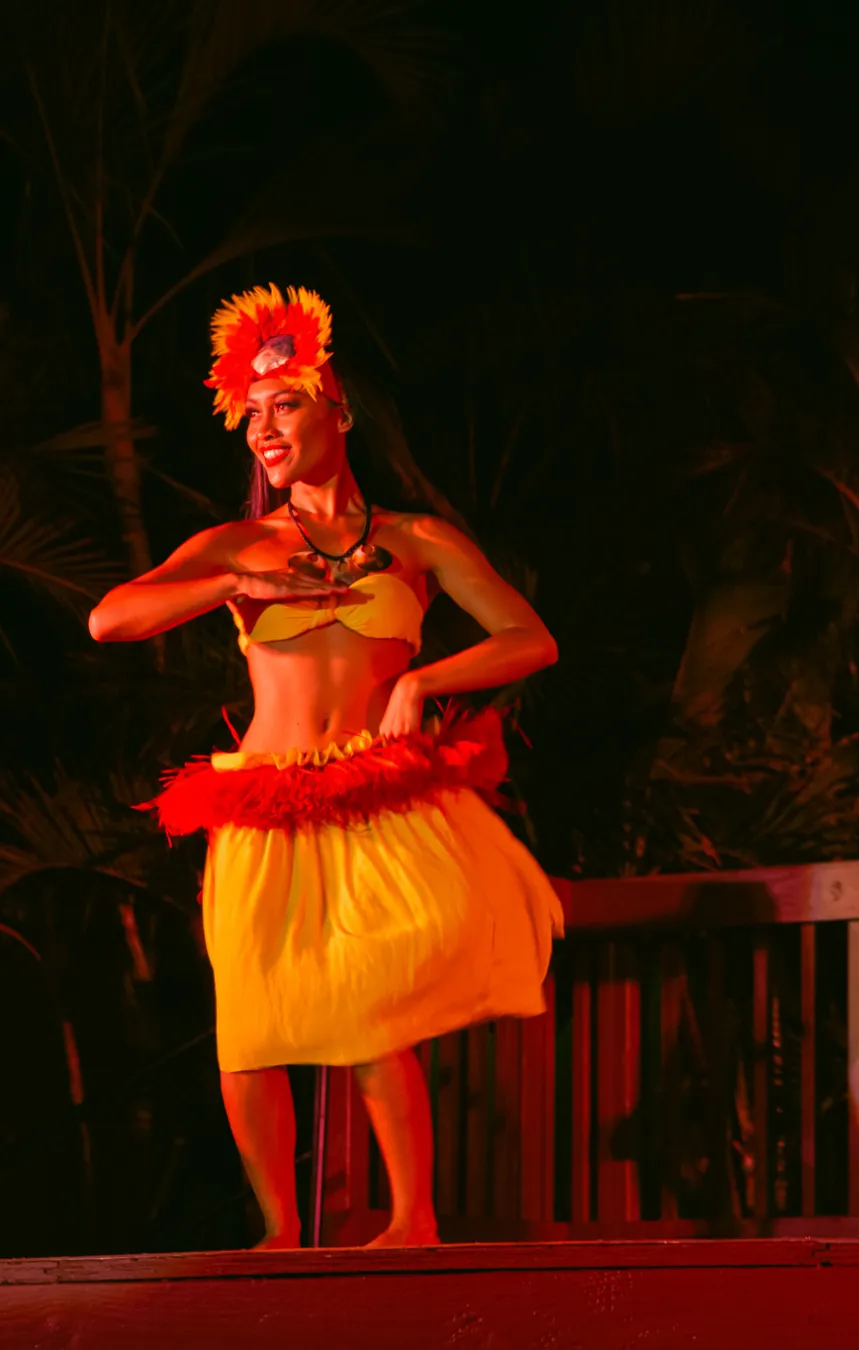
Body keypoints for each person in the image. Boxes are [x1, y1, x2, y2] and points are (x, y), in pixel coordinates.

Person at [89, 285, 563, 1249]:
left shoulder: (416, 541)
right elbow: (110, 618)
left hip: (374, 796)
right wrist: (236, 582)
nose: (264, 429)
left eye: (286, 404)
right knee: (252, 1019)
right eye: (251, 415)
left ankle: (412, 1222)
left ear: (337, 409)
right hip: (263, 799)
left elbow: (529, 639)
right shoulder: (239, 544)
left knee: (375, 1003)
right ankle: (277, 1232)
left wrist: (423, 682)